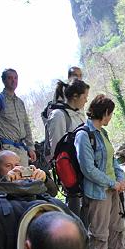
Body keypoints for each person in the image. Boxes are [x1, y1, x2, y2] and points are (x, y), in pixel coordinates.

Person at [76, 94, 125, 249]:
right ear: (105, 113)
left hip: (113, 190)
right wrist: (112, 183)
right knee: (99, 234)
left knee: (117, 229)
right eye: (111, 114)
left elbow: (113, 160)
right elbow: (88, 169)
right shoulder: (83, 135)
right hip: (97, 193)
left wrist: (120, 178)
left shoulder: (103, 133)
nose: (111, 118)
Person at [45, 79, 90, 217]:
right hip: (71, 170)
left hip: (84, 169)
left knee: (87, 209)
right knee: (75, 209)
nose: (86, 100)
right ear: (75, 96)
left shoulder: (79, 114)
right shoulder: (59, 115)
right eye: (84, 97)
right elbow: (57, 149)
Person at [0, 68, 36, 167]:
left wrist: (30, 148)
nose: (14, 81)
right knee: (10, 180)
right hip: (6, 149)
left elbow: (26, 126)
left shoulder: (20, 102)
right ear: (4, 80)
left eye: (16, 78)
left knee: (25, 180)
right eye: (10, 78)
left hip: (22, 150)